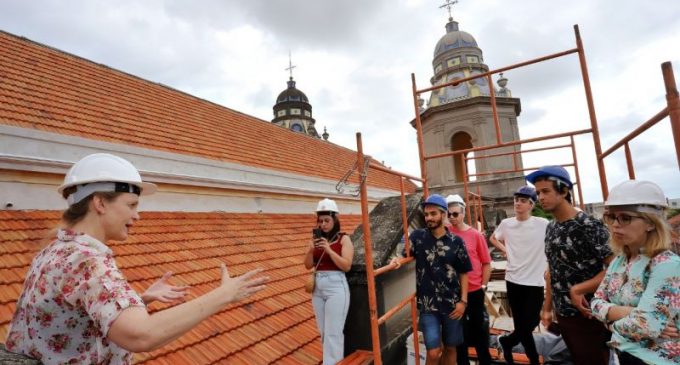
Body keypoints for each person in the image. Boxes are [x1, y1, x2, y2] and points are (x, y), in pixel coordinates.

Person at [4, 153, 268, 364]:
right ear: (100, 203)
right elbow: (142, 336)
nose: (137, 216)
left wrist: (140, 300)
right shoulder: (86, 261)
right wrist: (225, 294)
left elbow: (73, 316)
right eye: (131, 205)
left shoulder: (55, 249)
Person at [526, 165, 614, 365]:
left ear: (564, 191)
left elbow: (617, 268)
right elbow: (552, 272)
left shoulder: (589, 225)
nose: (540, 197)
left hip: (590, 314)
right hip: (564, 314)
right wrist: (547, 308)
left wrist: (580, 288)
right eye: (538, 192)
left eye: (546, 191)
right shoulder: (552, 228)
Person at [590, 180, 679, 365]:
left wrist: (608, 323)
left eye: (625, 217)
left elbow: (645, 326)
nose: (615, 224)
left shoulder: (666, 265)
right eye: (611, 217)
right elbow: (595, 302)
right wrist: (629, 312)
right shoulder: (621, 259)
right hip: (625, 354)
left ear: (651, 223)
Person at [390, 194, 472, 365]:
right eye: (426, 214)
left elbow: (464, 272)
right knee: (433, 353)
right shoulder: (418, 237)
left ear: (444, 214)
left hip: (452, 304)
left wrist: (463, 302)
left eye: (433, 214)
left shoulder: (456, 242)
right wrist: (397, 258)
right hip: (428, 306)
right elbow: (403, 253)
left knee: (450, 348)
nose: (429, 218)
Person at [489, 186, 549, 365]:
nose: (518, 203)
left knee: (531, 323)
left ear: (531, 204)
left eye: (523, 200)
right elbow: (493, 238)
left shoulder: (542, 224)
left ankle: (507, 342)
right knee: (522, 326)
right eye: (516, 199)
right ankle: (533, 360)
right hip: (514, 280)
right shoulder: (507, 224)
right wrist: (505, 250)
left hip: (535, 280)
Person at [303, 198, 354, 365]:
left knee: (334, 332)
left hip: (336, 286)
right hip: (318, 286)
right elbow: (308, 265)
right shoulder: (315, 240)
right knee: (324, 331)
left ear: (335, 220)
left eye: (327, 220)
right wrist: (311, 250)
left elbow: (346, 266)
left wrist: (329, 250)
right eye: (320, 221)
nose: (323, 224)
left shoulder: (343, 239)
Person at [445, 195, 492, 365]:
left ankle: (485, 360)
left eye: (455, 214)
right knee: (459, 334)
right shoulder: (444, 235)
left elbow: (486, 263)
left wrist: (483, 286)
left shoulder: (475, 235)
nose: (451, 218)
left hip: (474, 290)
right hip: (453, 292)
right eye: (448, 214)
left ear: (463, 213)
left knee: (479, 331)